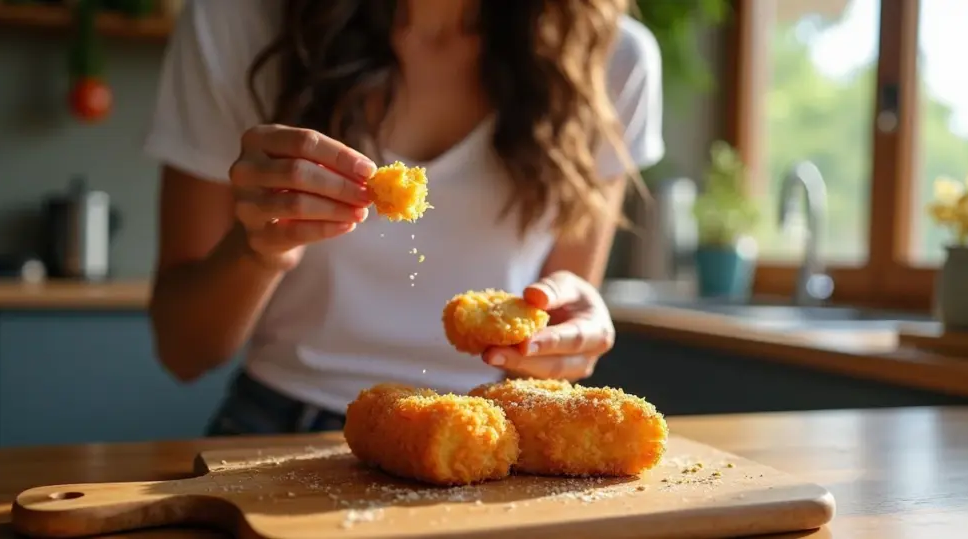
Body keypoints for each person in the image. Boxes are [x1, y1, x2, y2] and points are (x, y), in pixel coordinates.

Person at [143, 0, 665, 436]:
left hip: (481, 435)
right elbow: (183, 350)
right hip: (277, 428)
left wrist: (566, 341)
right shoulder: (237, 21)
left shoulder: (611, 59)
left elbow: (552, 337)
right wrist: (257, 249)